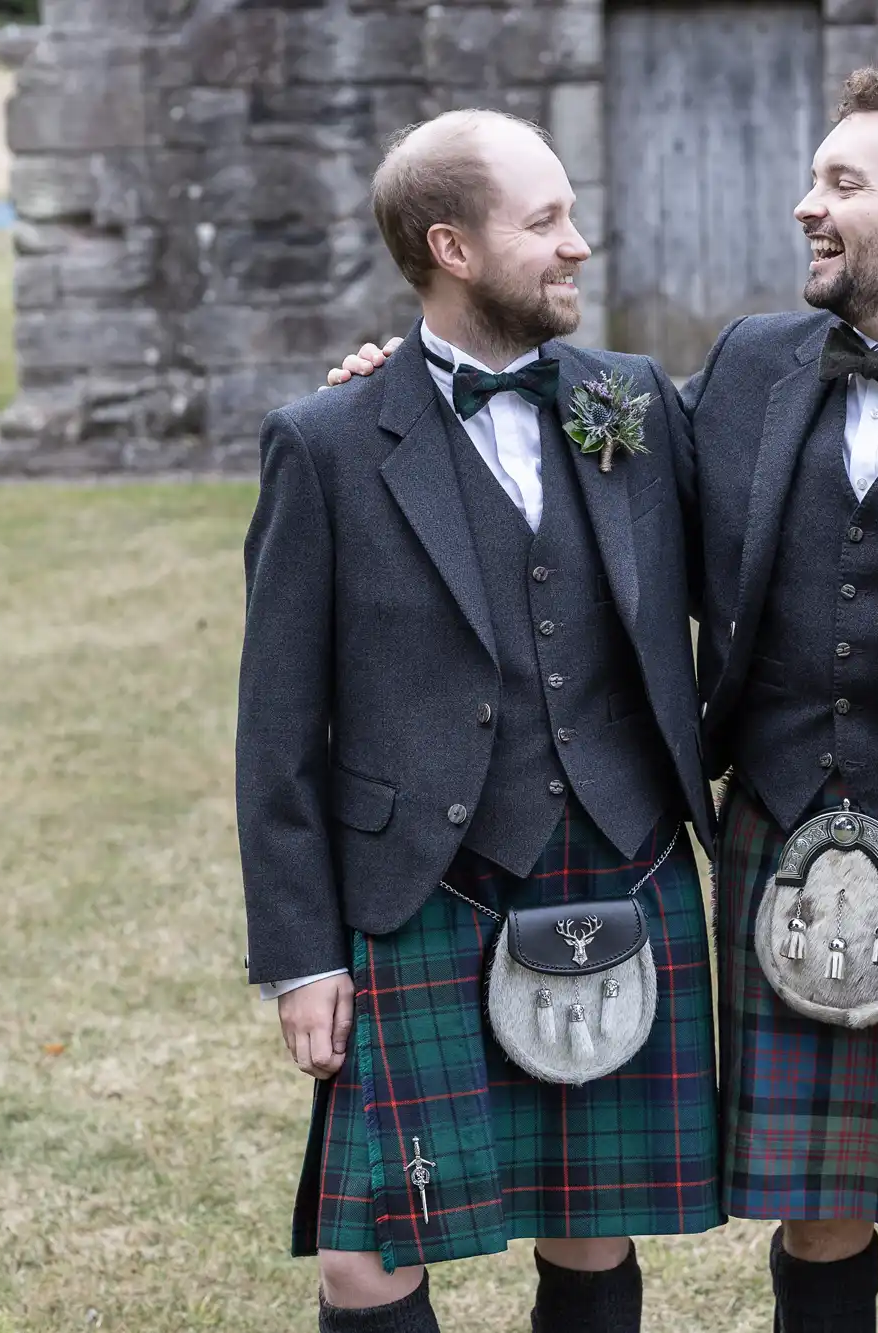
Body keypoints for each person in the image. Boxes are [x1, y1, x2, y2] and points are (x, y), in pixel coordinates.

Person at [330, 66, 878, 1333]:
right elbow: (576, 447)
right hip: (782, 837)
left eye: (841, 184)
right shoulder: (750, 368)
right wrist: (414, 385)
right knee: (816, 1205)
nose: (805, 207)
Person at [237, 108, 720, 1333]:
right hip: (422, 885)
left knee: (588, 1216)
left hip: (619, 856)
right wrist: (301, 955)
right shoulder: (327, 442)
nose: (578, 245)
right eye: (546, 221)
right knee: (366, 1256)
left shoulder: (638, 406)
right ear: (451, 247)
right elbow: (277, 730)